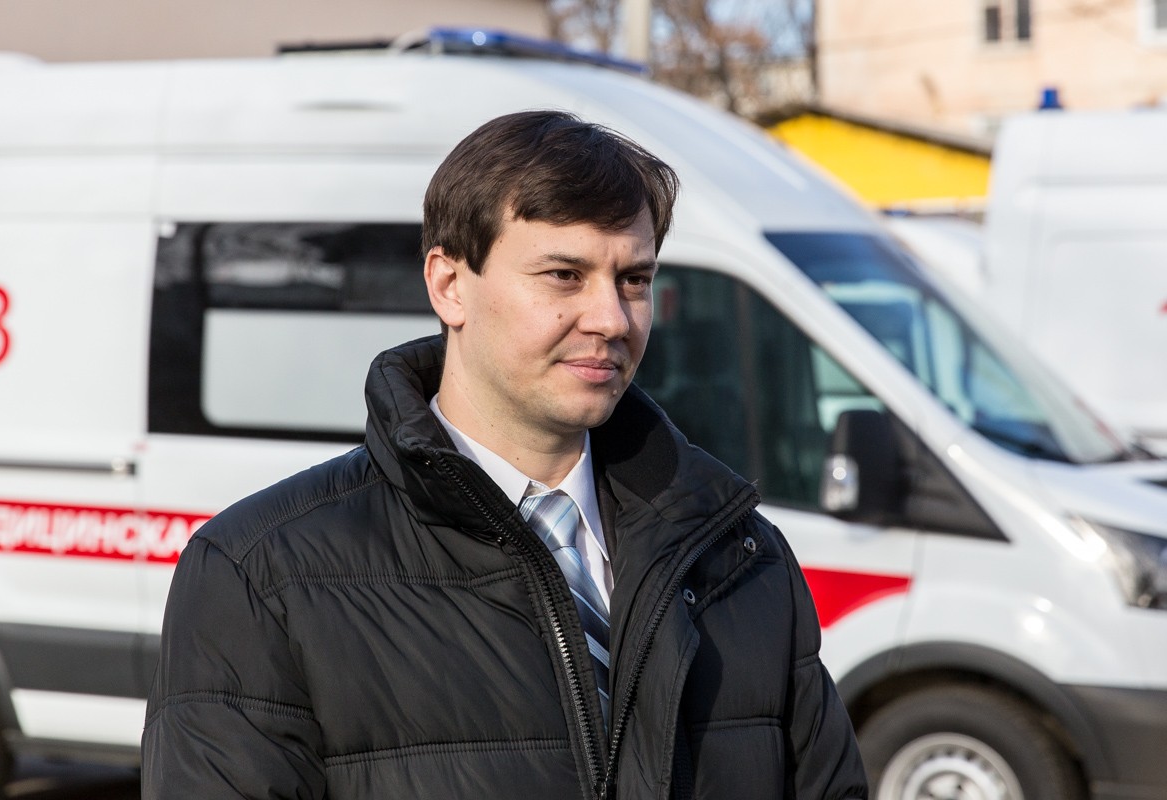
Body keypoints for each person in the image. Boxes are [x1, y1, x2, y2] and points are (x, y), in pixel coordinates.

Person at [142, 109, 868, 799]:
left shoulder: (741, 561)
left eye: (634, 280)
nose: (611, 318)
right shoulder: (260, 573)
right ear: (449, 286)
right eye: (563, 275)